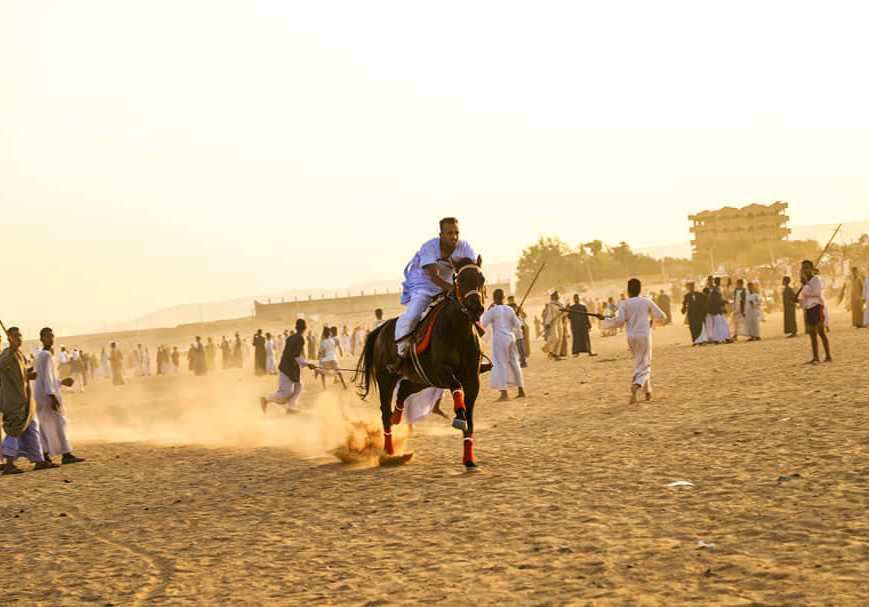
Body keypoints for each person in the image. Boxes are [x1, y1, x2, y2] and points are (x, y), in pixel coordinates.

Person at [395, 217, 476, 362]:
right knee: (414, 314)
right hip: (423, 284)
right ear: (441, 235)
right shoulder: (429, 247)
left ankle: (475, 352)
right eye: (449, 233)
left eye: (456, 233)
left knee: (470, 308)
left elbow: (471, 270)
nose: (454, 237)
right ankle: (401, 352)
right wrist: (452, 289)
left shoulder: (465, 247)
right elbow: (433, 276)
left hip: (449, 284)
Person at [1, 326, 58, 474]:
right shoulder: (7, 354)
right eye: (15, 336)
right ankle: (8, 464)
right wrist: (12, 349)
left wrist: (30, 375)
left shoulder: (20, 355)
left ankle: (38, 460)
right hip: (14, 401)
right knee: (14, 431)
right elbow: (3, 365)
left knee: (32, 428)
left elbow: (21, 374)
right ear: (9, 339)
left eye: (19, 336)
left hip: (26, 400)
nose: (18, 338)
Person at [602, 279, 667, 404]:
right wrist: (652, 322)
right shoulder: (646, 301)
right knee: (645, 364)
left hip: (631, 337)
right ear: (640, 289)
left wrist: (606, 319)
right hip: (644, 335)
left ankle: (648, 391)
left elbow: (619, 321)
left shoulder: (624, 304)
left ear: (628, 290)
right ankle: (637, 385)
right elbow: (662, 316)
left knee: (640, 362)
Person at [33, 328, 85, 465]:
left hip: (43, 393)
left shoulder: (43, 354)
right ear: (41, 339)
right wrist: (52, 395)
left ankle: (45, 455)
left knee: (46, 424)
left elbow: (47, 377)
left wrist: (61, 382)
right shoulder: (45, 355)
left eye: (51, 336)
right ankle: (64, 455)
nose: (50, 338)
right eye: (47, 336)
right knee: (58, 422)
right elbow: (46, 378)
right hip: (47, 395)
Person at [261, 319, 316, 414]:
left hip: (288, 366)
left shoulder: (291, 338)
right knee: (286, 393)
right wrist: (308, 364)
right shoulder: (300, 339)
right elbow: (296, 356)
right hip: (288, 368)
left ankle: (290, 407)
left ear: (296, 327)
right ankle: (266, 399)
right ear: (305, 328)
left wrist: (306, 363)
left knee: (299, 387)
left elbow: (294, 355)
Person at [480, 289, 526, 401]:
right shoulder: (509, 309)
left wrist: (488, 310)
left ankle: (504, 394)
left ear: (494, 298)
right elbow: (518, 324)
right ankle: (521, 390)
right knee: (514, 363)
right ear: (503, 297)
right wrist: (516, 314)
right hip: (511, 337)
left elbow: (483, 323)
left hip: (500, 339)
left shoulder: (493, 310)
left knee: (500, 364)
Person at [798, 260, 832, 364]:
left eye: (807, 267)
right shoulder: (806, 282)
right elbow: (803, 296)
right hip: (808, 308)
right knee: (812, 334)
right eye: (803, 268)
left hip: (817, 307)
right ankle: (815, 357)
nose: (805, 270)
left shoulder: (816, 279)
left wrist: (806, 288)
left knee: (821, 333)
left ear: (812, 268)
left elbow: (816, 293)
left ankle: (828, 356)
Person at [542, 291, 567, 360]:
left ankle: (557, 354)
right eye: (555, 295)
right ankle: (548, 349)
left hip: (559, 321)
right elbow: (549, 314)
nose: (557, 296)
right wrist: (547, 323)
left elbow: (564, 314)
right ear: (552, 297)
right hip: (553, 322)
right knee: (555, 338)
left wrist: (565, 310)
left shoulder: (561, 304)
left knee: (560, 338)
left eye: (557, 295)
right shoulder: (550, 305)